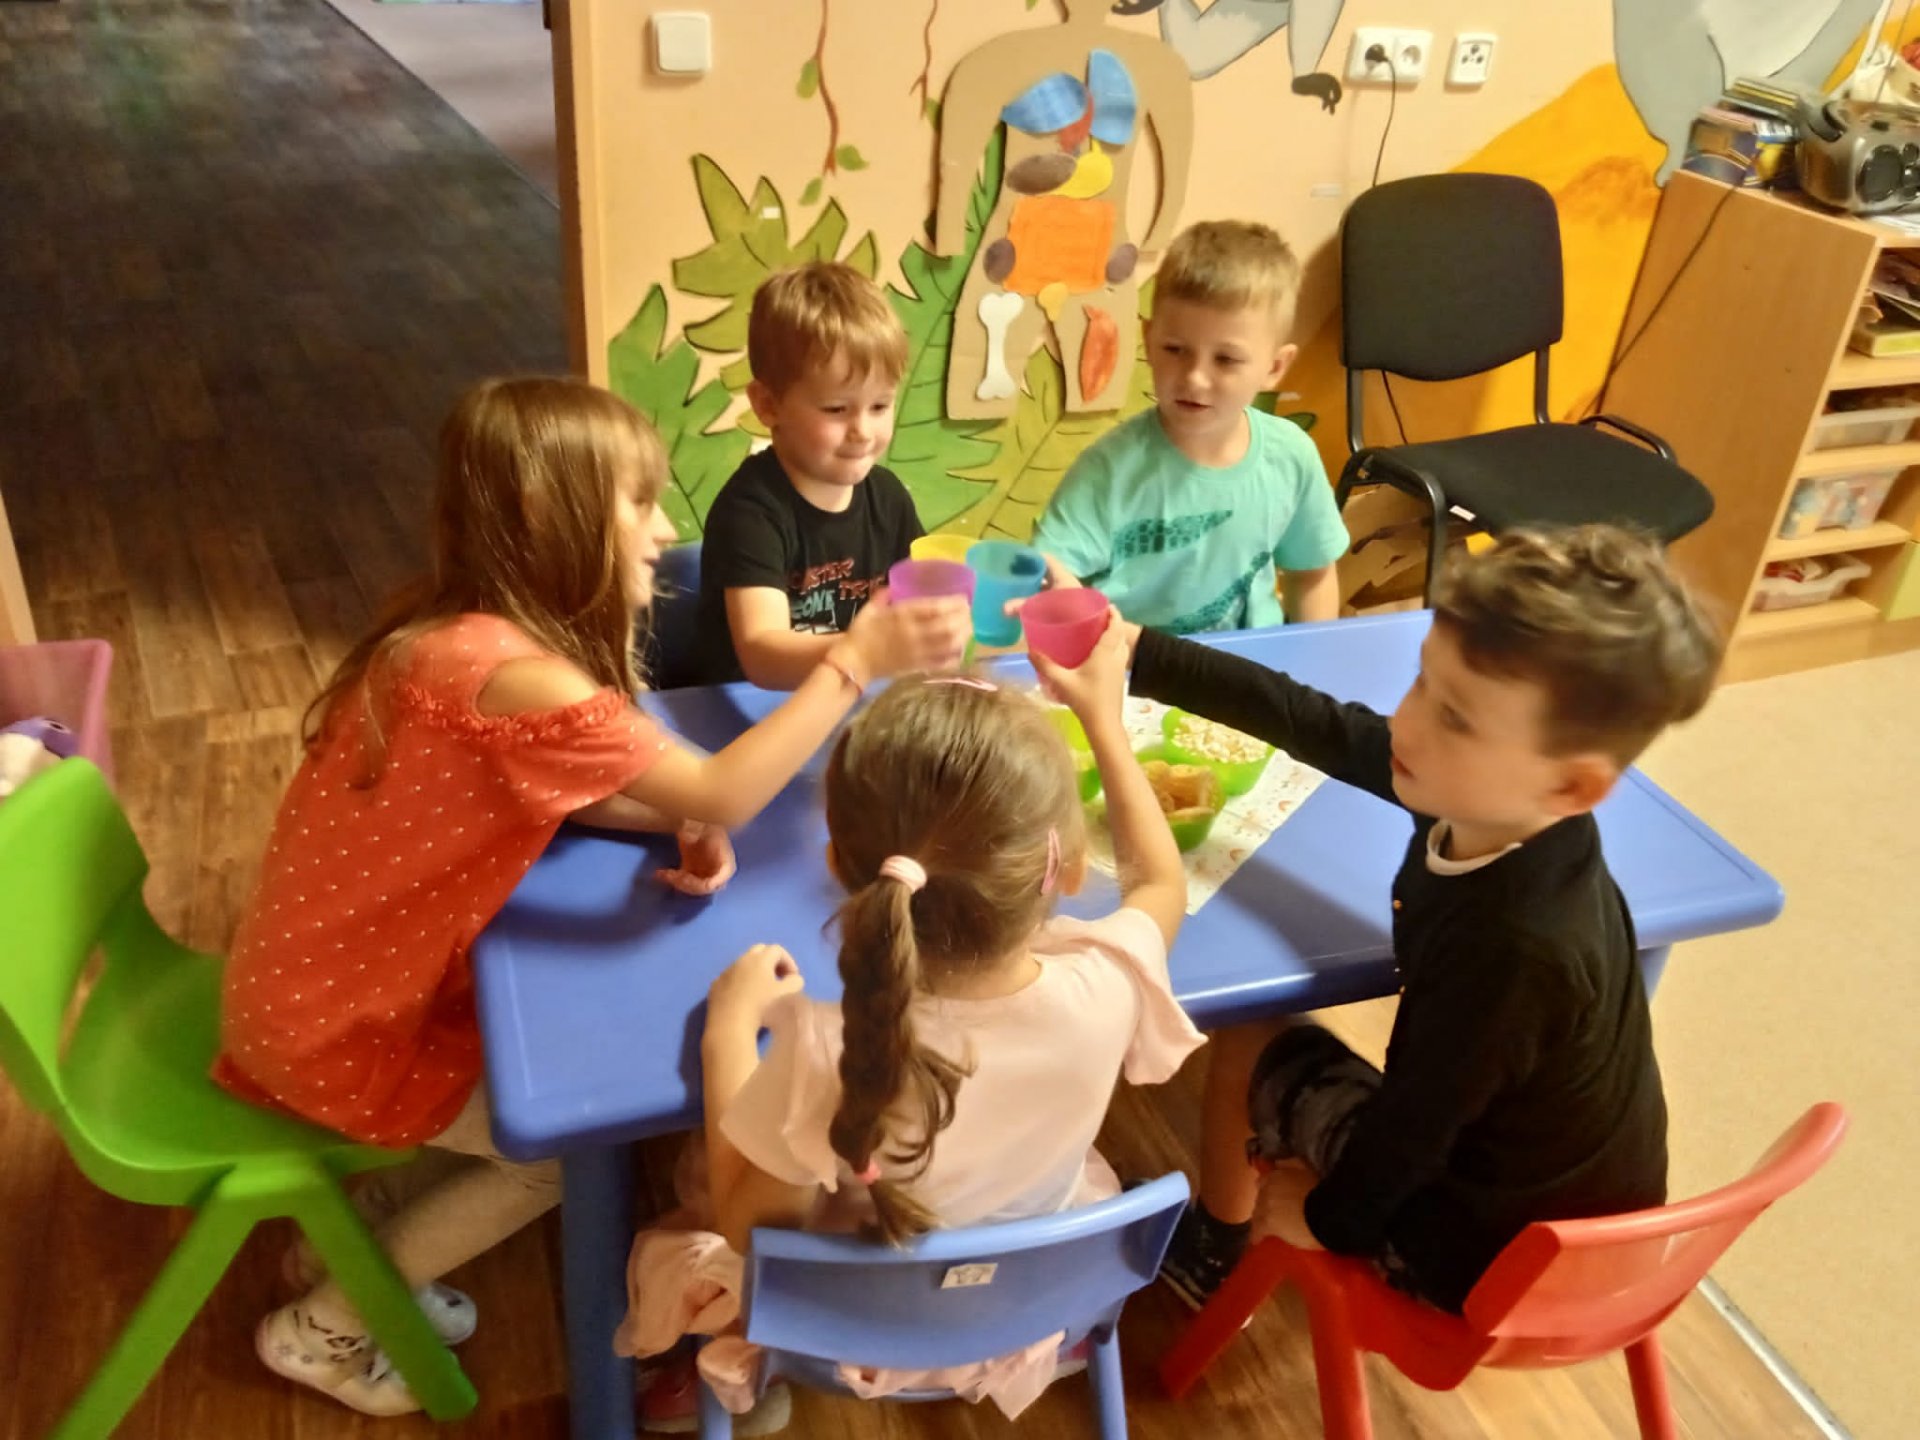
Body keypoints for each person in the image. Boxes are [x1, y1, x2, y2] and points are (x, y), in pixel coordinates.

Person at [216, 376, 967, 1415]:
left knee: (532, 1104)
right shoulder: (520, 674)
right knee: (561, 1158)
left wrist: (666, 814)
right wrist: (851, 662)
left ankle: (352, 1234)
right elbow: (726, 790)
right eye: (639, 502)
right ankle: (328, 1322)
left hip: (303, 986)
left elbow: (554, 786)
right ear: (549, 515)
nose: (663, 530)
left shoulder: (456, 634)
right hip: (342, 1026)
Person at [616, 628, 1204, 1430]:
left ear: (836, 865)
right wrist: (1103, 721)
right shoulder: (1114, 982)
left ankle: (714, 1380)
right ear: (1066, 870)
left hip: (847, 1328)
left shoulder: (826, 1052)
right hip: (1030, 1303)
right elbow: (1161, 880)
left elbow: (746, 1230)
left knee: (683, 1188)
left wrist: (727, 1033)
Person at [1133, 526, 1723, 1313]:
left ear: (1574, 787)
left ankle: (1213, 1252)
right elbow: (1317, 722)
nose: (1406, 725)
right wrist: (1139, 651)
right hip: (1579, 1211)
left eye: (1457, 719)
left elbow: (1411, 1130)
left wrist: (1324, 1221)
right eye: (1421, 683)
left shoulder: (1514, 948)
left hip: (1488, 1258)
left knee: (1246, 1036)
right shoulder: (1502, 807)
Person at [1030, 219, 1349, 634]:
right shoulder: (1108, 470)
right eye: (1175, 349)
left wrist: (1313, 657)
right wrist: (1057, 594)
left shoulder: (1291, 456)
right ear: (1149, 341)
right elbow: (1050, 577)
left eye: (1226, 359)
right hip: (1133, 666)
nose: (1195, 378)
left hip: (1247, 665)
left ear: (1274, 367)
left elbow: (1313, 576)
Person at [695, 261, 971, 687]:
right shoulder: (750, 512)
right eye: (837, 409)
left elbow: (922, 594)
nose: (863, 430)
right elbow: (762, 654)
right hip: (754, 707)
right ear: (768, 405)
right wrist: (871, 652)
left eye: (879, 406)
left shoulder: (888, 497)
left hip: (851, 692)